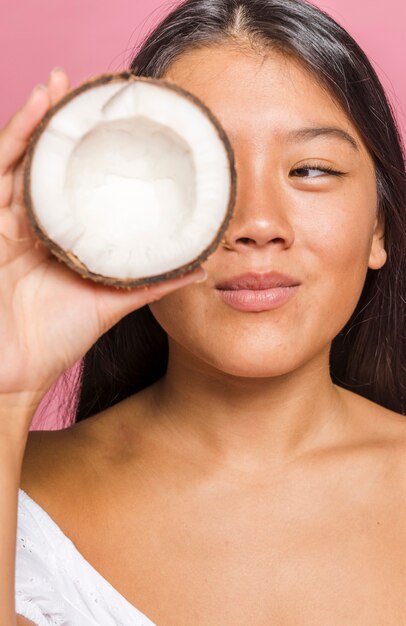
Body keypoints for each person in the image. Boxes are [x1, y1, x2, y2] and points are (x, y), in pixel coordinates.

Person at [1, 0, 405, 623]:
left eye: (311, 169)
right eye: (208, 172)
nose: (258, 225)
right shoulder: (21, 502)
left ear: (380, 228)